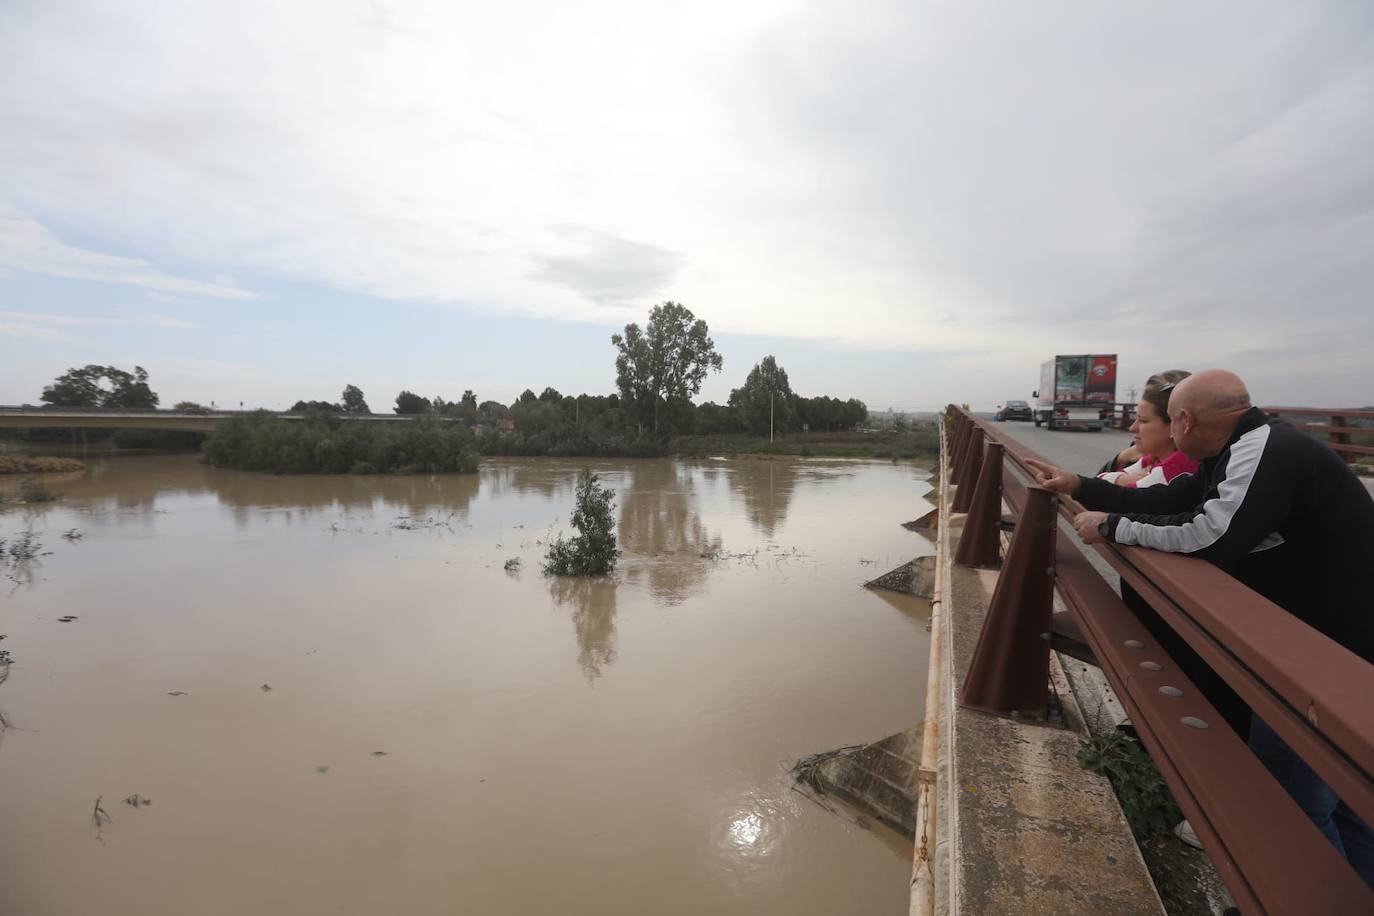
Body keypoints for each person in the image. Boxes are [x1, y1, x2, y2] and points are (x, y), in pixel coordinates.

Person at [1025, 369, 1374, 885]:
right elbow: (1173, 500)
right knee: (1342, 799)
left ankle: (1316, 895)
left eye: (1167, 420)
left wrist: (1113, 527)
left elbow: (1211, 535)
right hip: (1328, 642)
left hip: (1327, 656)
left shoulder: (1264, 452)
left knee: (1296, 796)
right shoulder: (1240, 449)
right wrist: (1082, 486)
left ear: (1185, 420)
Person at [1096, 370, 1198, 488]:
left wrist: (1122, 478)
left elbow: (1101, 489)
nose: (1132, 428)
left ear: (1174, 425)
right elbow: (1099, 482)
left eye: (1143, 420)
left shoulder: (1180, 465)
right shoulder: (1154, 459)